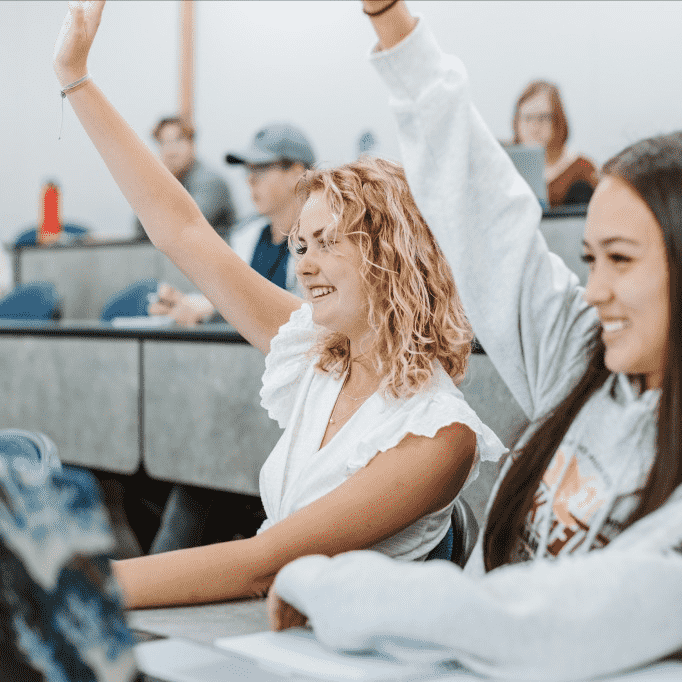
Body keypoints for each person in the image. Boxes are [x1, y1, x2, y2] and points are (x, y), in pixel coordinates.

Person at [267, 3, 682, 680]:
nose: (595, 289)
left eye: (621, 259)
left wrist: (323, 582)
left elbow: (547, 624)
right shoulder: (586, 361)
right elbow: (486, 211)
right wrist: (389, 18)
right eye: (590, 260)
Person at [53, 0, 506, 609]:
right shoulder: (322, 354)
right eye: (300, 244)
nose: (304, 264)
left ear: (389, 259)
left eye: (326, 244)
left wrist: (65, 590)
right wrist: (75, 78)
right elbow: (183, 232)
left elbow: (263, 566)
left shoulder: (440, 434)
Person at [148, 123, 315, 326]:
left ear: (296, 173)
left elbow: (304, 315)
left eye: (261, 168)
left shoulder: (323, 240)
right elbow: (235, 296)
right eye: (248, 170)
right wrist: (186, 303)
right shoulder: (247, 234)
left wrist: (209, 312)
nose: (250, 180)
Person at [133, 116, 236, 240]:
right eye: (163, 143)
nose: (171, 151)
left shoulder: (211, 182)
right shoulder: (163, 181)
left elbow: (186, 225)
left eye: (178, 140)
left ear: (192, 144)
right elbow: (140, 229)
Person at [513, 80, 599, 208]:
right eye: (527, 118)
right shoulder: (506, 168)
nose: (534, 128)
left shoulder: (582, 169)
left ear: (558, 121)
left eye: (543, 118)